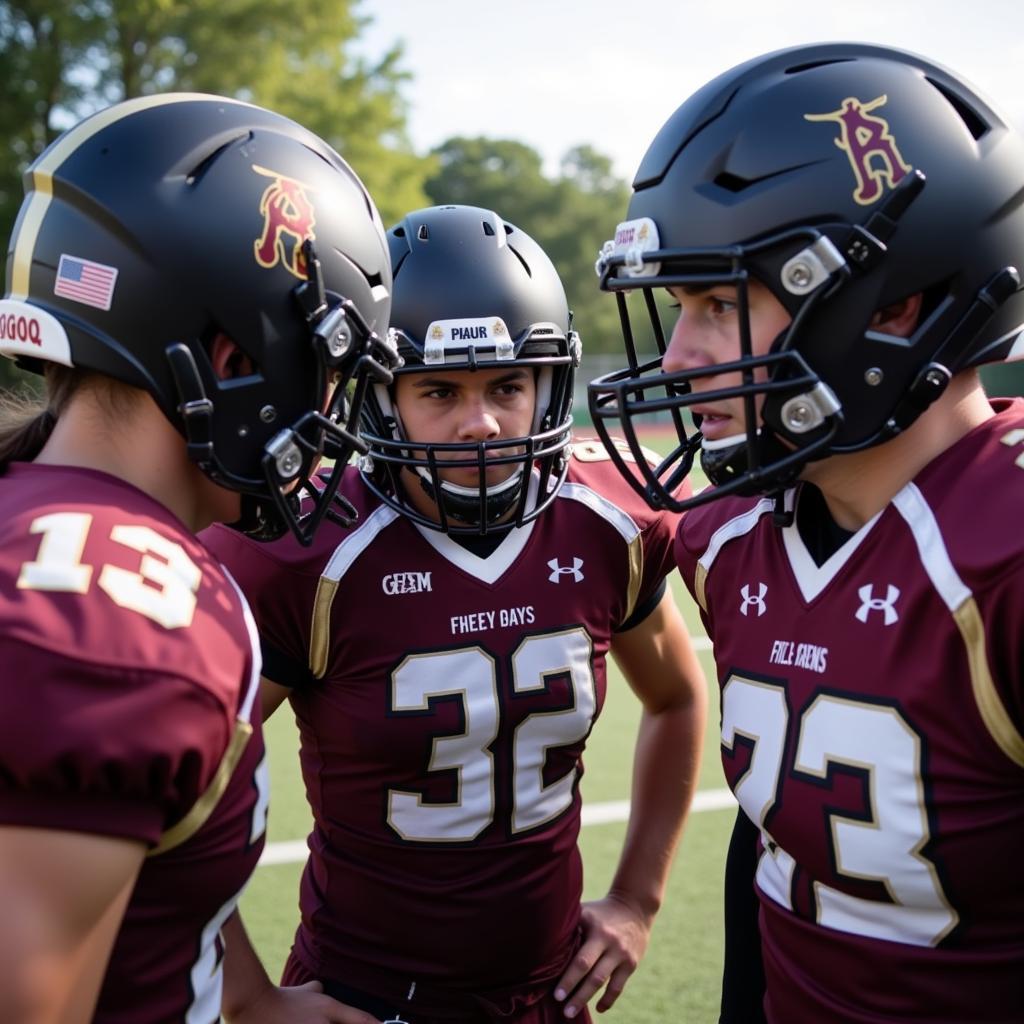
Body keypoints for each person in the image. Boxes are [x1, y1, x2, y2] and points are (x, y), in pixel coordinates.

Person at [588, 41, 1024, 1024]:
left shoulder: (1003, 551)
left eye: (718, 304)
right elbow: (777, 845)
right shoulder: (732, 536)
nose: (679, 356)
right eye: (678, 304)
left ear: (892, 306)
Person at [204, 203, 708, 1024]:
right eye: (439, 390)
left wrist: (638, 901)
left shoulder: (602, 520)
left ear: (548, 385)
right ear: (376, 396)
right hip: (361, 998)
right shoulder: (307, 551)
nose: (480, 423)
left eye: (507, 386)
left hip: (549, 992)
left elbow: (678, 698)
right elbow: (181, 786)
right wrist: (247, 996)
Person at [0, 92, 396, 1023]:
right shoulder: (125, 618)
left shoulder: (38, 518)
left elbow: (140, 889)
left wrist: (249, 1001)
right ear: (233, 358)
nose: (334, 411)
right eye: (329, 362)